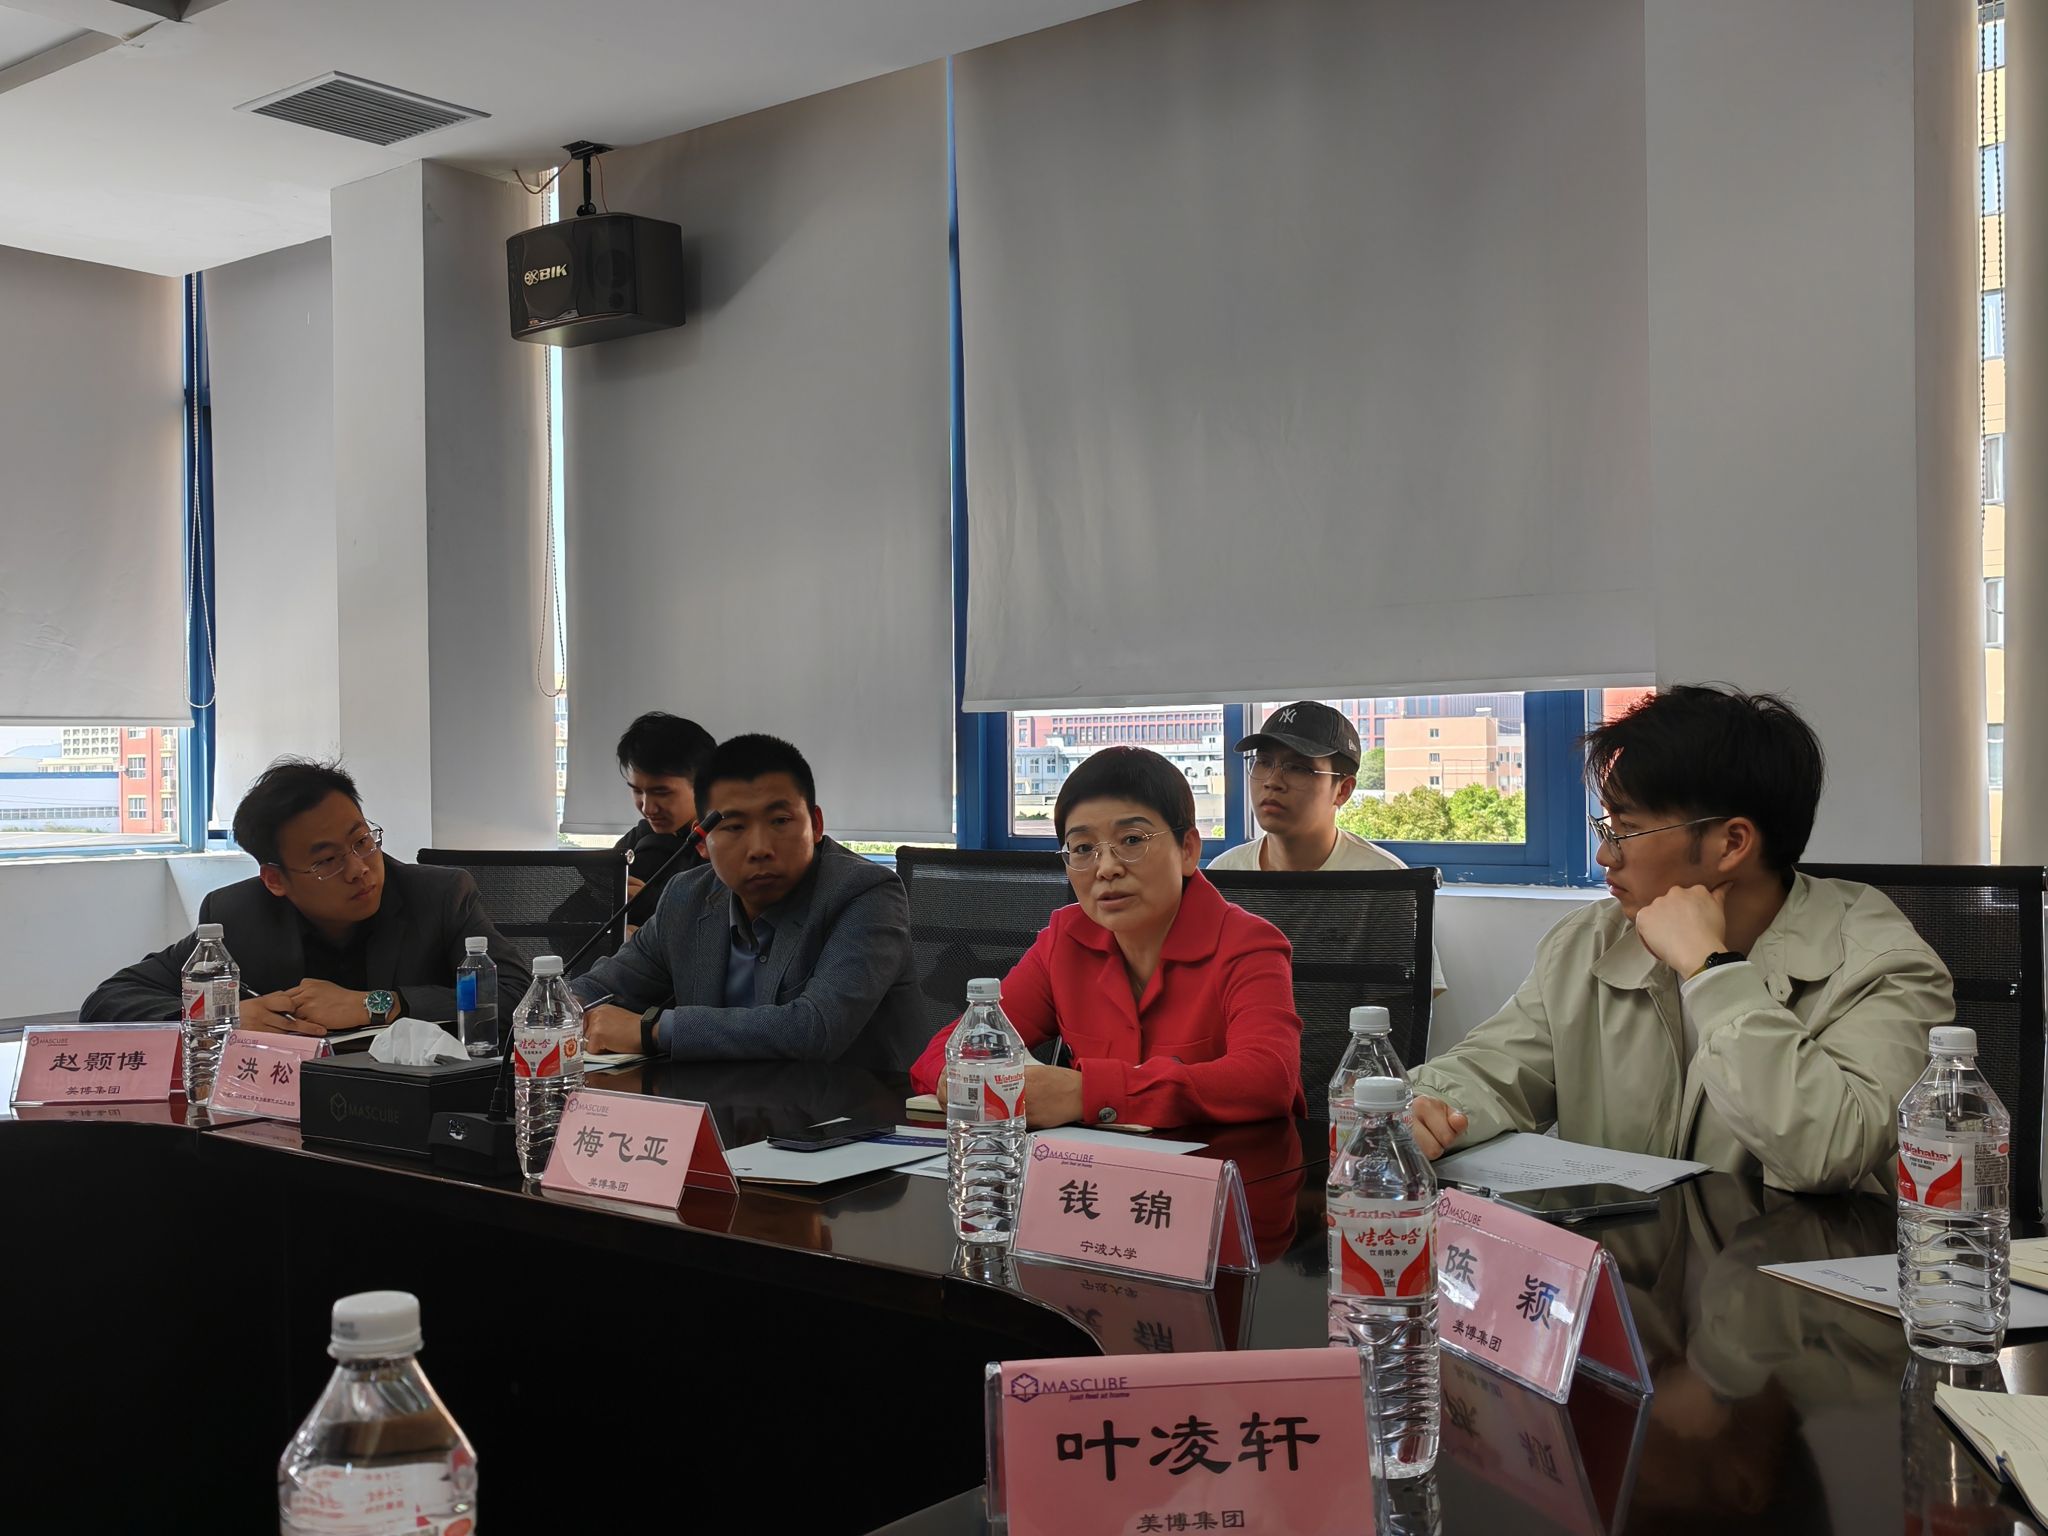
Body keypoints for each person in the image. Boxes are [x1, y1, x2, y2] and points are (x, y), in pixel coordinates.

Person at [1406, 685, 1953, 1194]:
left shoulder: (1884, 964)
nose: (1604, 854)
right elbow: (1493, 1071)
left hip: (1796, 1265)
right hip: (1626, 1261)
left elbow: (1830, 1149)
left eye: (1626, 829)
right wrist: (1425, 1107)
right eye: (1606, 827)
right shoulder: (1592, 940)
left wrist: (1711, 969)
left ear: (1732, 843)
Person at [910, 746, 1305, 1129]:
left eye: (1132, 840)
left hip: (1224, 1168)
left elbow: (1268, 1078)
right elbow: (948, 1048)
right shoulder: (1064, 942)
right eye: (1083, 848)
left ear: (1187, 850)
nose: (1106, 868)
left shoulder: (1250, 946)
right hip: (1086, 1167)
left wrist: (1086, 1094)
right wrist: (955, 1078)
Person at [81, 758, 531, 1032]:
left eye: (362, 841)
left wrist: (377, 1004)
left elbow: (518, 996)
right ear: (275, 880)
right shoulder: (237, 915)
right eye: (327, 861)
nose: (359, 869)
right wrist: (221, 1016)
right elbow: (110, 999)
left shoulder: (439, 895)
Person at [572, 734, 923, 1070]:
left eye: (780, 821)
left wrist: (652, 1031)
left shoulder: (866, 892)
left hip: (853, 1106)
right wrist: (559, 1009)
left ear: (816, 825)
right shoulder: (686, 897)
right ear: (701, 841)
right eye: (735, 827)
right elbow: (600, 988)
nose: (760, 848)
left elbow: (816, 1029)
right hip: (717, 1104)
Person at [1209, 700, 1446, 995]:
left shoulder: (1384, 883)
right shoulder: (1223, 876)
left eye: (1298, 768)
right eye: (1264, 762)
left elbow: (1403, 1009)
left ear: (1342, 790)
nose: (1272, 781)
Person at [611, 711, 716, 925]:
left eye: (662, 792)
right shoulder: (634, 841)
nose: (647, 807)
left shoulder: (726, 847)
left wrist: (653, 909)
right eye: (637, 791)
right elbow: (564, 925)